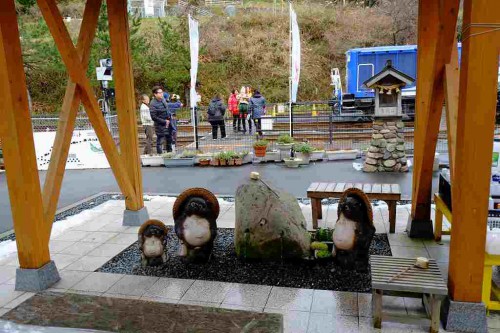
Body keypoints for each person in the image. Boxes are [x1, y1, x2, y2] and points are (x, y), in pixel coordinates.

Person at [149, 86, 172, 154]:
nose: (161, 94)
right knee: (160, 141)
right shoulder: (153, 104)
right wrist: (164, 121)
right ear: (155, 94)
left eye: (162, 92)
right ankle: (160, 156)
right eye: (159, 93)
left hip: (168, 123)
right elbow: (153, 117)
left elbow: (167, 109)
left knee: (169, 140)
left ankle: (169, 154)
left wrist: (170, 116)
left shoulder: (163, 100)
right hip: (160, 125)